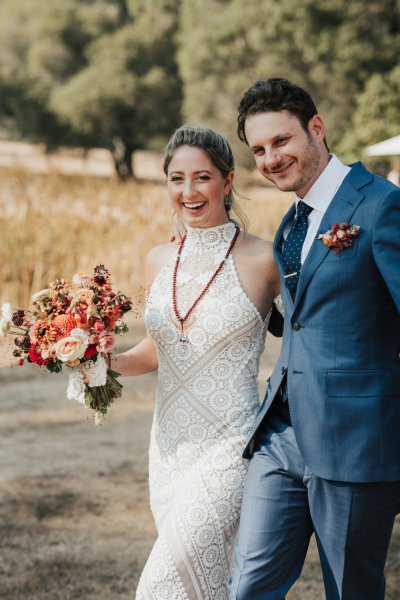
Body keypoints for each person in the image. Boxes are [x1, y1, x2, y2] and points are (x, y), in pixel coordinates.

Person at [228, 77, 400, 600]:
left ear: (316, 129)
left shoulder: (381, 206)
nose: (271, 158)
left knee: (351, 591)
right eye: (258, 149)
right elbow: (300, 314)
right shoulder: (291, 222)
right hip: (280, 432)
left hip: (354, 440)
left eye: (281, 141)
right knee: (247, 588)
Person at [110, 124, 281, 599]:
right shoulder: (156, 258)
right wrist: (103, 362)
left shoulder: (266, 258)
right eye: (176, 178)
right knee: (199, 587)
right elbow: (159, 349)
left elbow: (314, 333)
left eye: (202, 177)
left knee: (160, 585)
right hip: (168, 448)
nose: (188, 191)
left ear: (227, 182)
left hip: (230, 446)